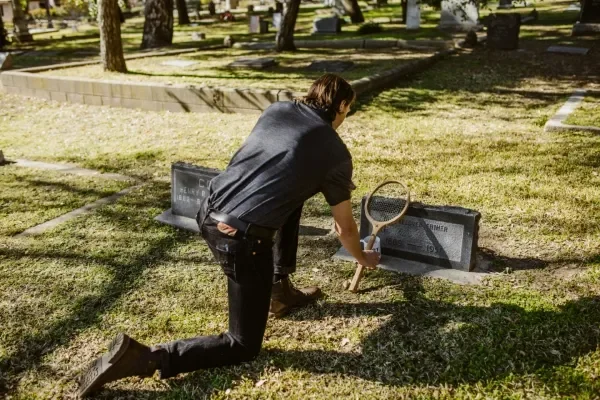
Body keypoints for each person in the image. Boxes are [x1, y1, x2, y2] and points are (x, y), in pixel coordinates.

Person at [77, 74, 381, 397]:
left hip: (207, 210)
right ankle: (146, 358)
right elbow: (345, 228)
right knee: (243, 344)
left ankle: (280, 289)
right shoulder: (335, 152)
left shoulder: (277, 110)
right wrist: (363, 257)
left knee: (294, 193)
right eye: (347, 112)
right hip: (240, 241)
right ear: (342, 105)